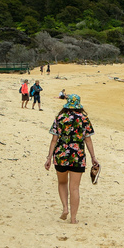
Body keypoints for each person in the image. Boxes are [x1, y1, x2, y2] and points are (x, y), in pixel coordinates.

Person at [44, 94, 99, 224]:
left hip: (61, 156)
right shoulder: (84, 119)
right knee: (74, 188)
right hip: (78, 157)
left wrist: (49, 158)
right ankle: (73, 219)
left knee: (62, 183)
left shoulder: (60, 117)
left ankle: (65, 208)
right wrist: (93, 157)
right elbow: (88, 139)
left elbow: (54, 140)